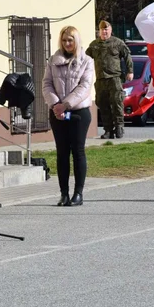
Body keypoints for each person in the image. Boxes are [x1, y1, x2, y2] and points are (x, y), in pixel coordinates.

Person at [43, 25, 94, 207]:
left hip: (78, 112)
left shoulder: (87, 61)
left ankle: (78, 193)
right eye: (64, 40)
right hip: (57, 113)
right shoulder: (53, 60)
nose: (67, 44)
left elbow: (85, 86)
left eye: (70, 40)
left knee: (77, 151)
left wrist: (66, 104)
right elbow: (47, 84)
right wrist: (56, 104)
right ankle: (63, 194)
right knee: (62, 152)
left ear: (76, 41)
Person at [88, 20, 133, 139]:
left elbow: (127, 55)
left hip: (114, 78)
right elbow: (85, 59)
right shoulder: (94, 45)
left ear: (110, 30)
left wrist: (130, 71)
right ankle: (108, 130)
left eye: (106, 29)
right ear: (99, 31)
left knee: (117, 103)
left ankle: (119, 127)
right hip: (101, 79)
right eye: (102, 30)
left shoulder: (117, 43)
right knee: (102, 104)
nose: (104, 32)